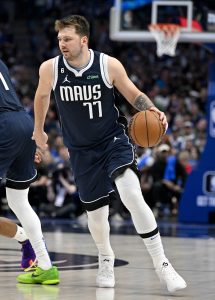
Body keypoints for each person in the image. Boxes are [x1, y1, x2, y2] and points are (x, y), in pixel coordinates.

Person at [32, 15, 186, 292]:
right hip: (80, 150)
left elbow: (133, 93)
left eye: (66, 39)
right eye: (59, 40)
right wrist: (39, 130)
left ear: (83, 40)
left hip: (112, 140)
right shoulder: (50, 69)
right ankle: (105, 256)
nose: (61, 44)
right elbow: (41, 97)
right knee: (97, 215)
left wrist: (151, 109)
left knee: (131, 193)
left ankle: (162, 263)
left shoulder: (107, 64)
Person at [0, 58, 59, 284]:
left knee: (19, 202)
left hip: (4, 126)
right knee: (18, 202)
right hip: (23, 123)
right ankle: (45, 265)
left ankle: (27, 244)